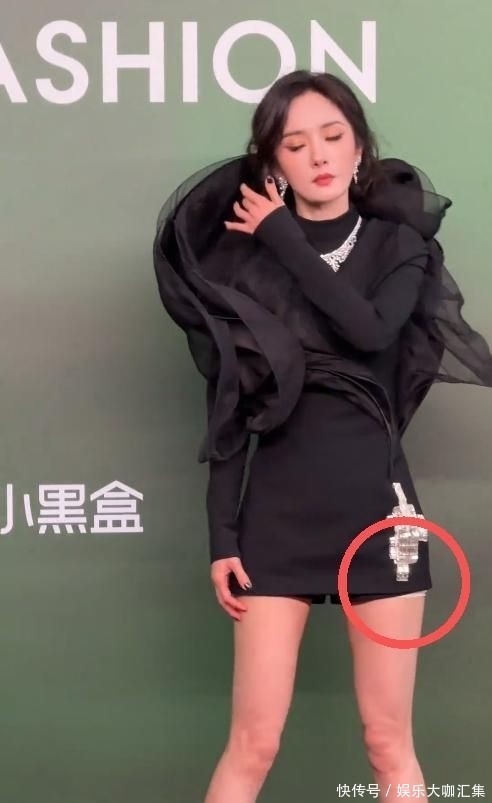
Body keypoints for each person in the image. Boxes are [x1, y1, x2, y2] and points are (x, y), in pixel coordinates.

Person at [153, 70, 492, 803]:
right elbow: (230, 403)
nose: (319, 155)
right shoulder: (239, 262)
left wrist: (281, 233)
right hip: (277, 516)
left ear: (360, 146)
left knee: (388, 741)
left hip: (380, 515)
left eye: (334, 136)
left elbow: (368, 330)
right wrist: (223, 534)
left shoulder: (401, 245)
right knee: (253, 742)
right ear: (272, 161)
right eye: (295, 143)